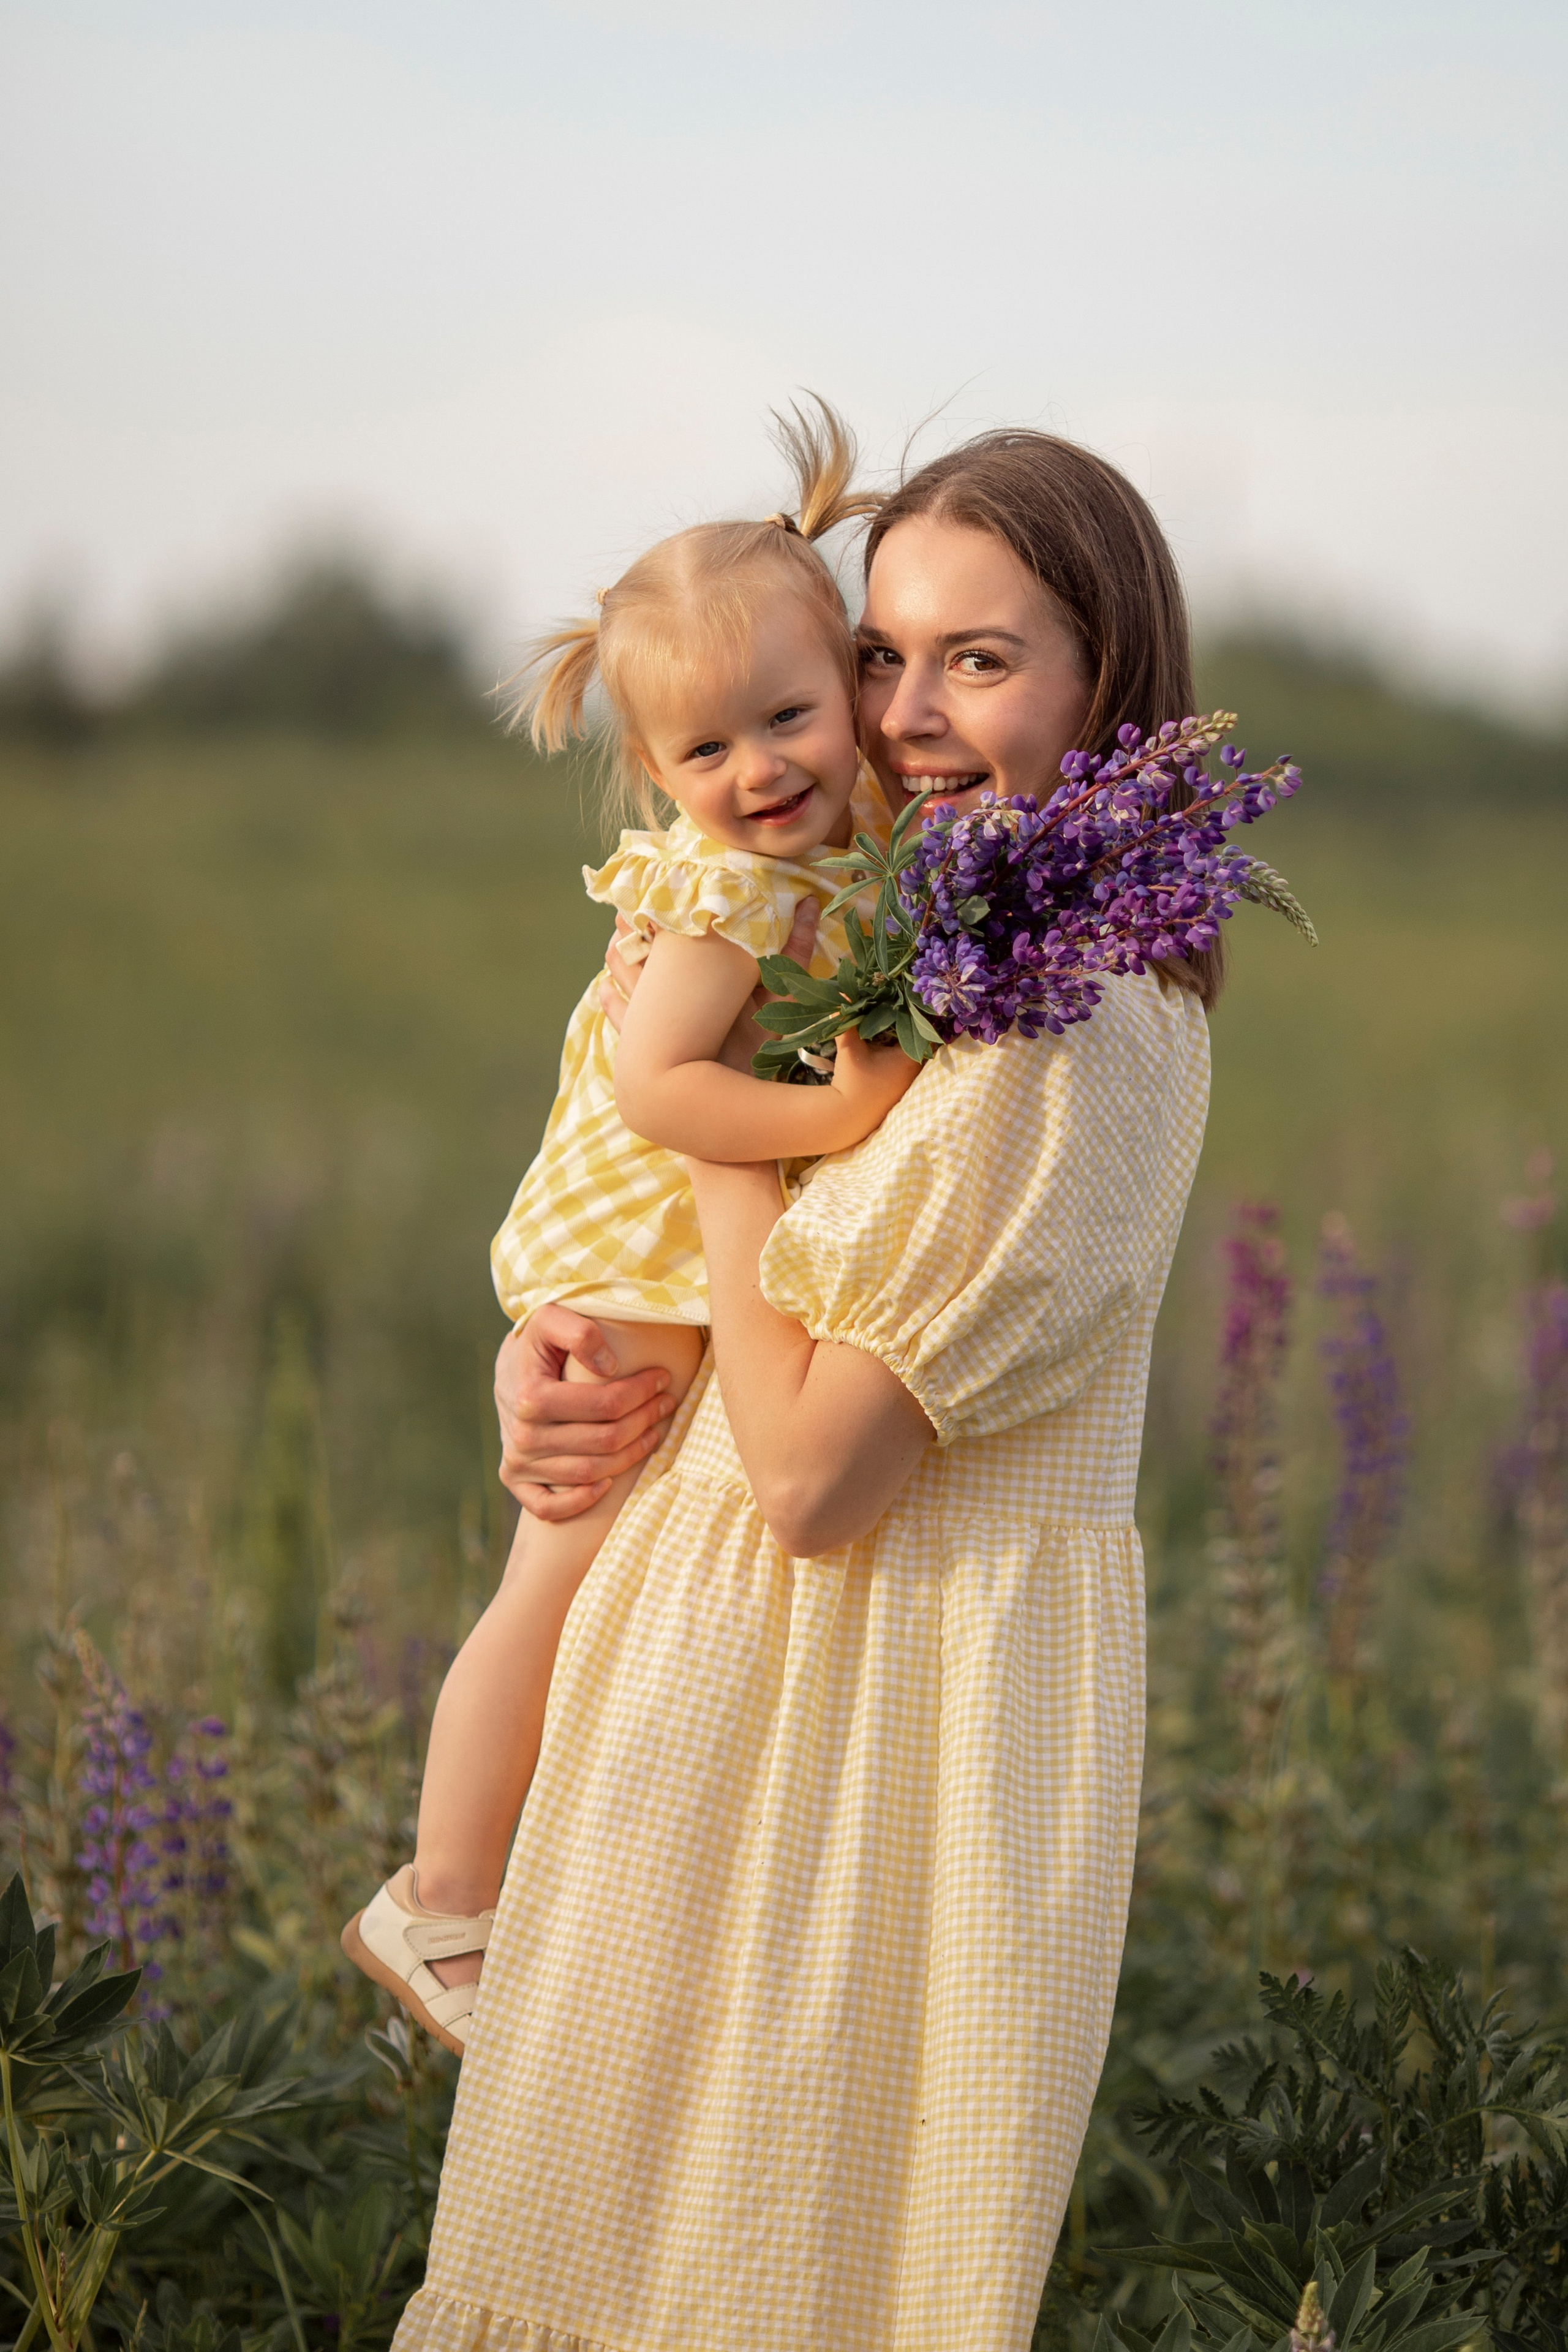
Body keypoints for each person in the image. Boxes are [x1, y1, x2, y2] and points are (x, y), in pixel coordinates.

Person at [393, 425, 1215, 2352]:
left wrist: (704, 1153)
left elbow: (813, 1473)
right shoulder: (932, 962)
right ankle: (443, 1885)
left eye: (982, 662)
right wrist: (567, 1355)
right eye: (883, 656)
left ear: (1116, 684)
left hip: (876, 1750)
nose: (904, 720)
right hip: (735, 1712)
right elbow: (769, 1309)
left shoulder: (1064, 1029)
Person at [342, 402, 916, 2056]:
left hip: (663, 1248)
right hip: (632, 1252)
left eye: (793, 717)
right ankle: (443, 1894)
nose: (761, 772)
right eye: (705, 756)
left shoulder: (844, 855)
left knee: (613, 1574)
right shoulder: (732, 895)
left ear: (855, 688)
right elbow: (669, 1088)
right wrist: (836, 1117)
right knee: (563, 1573)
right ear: (656, 777)